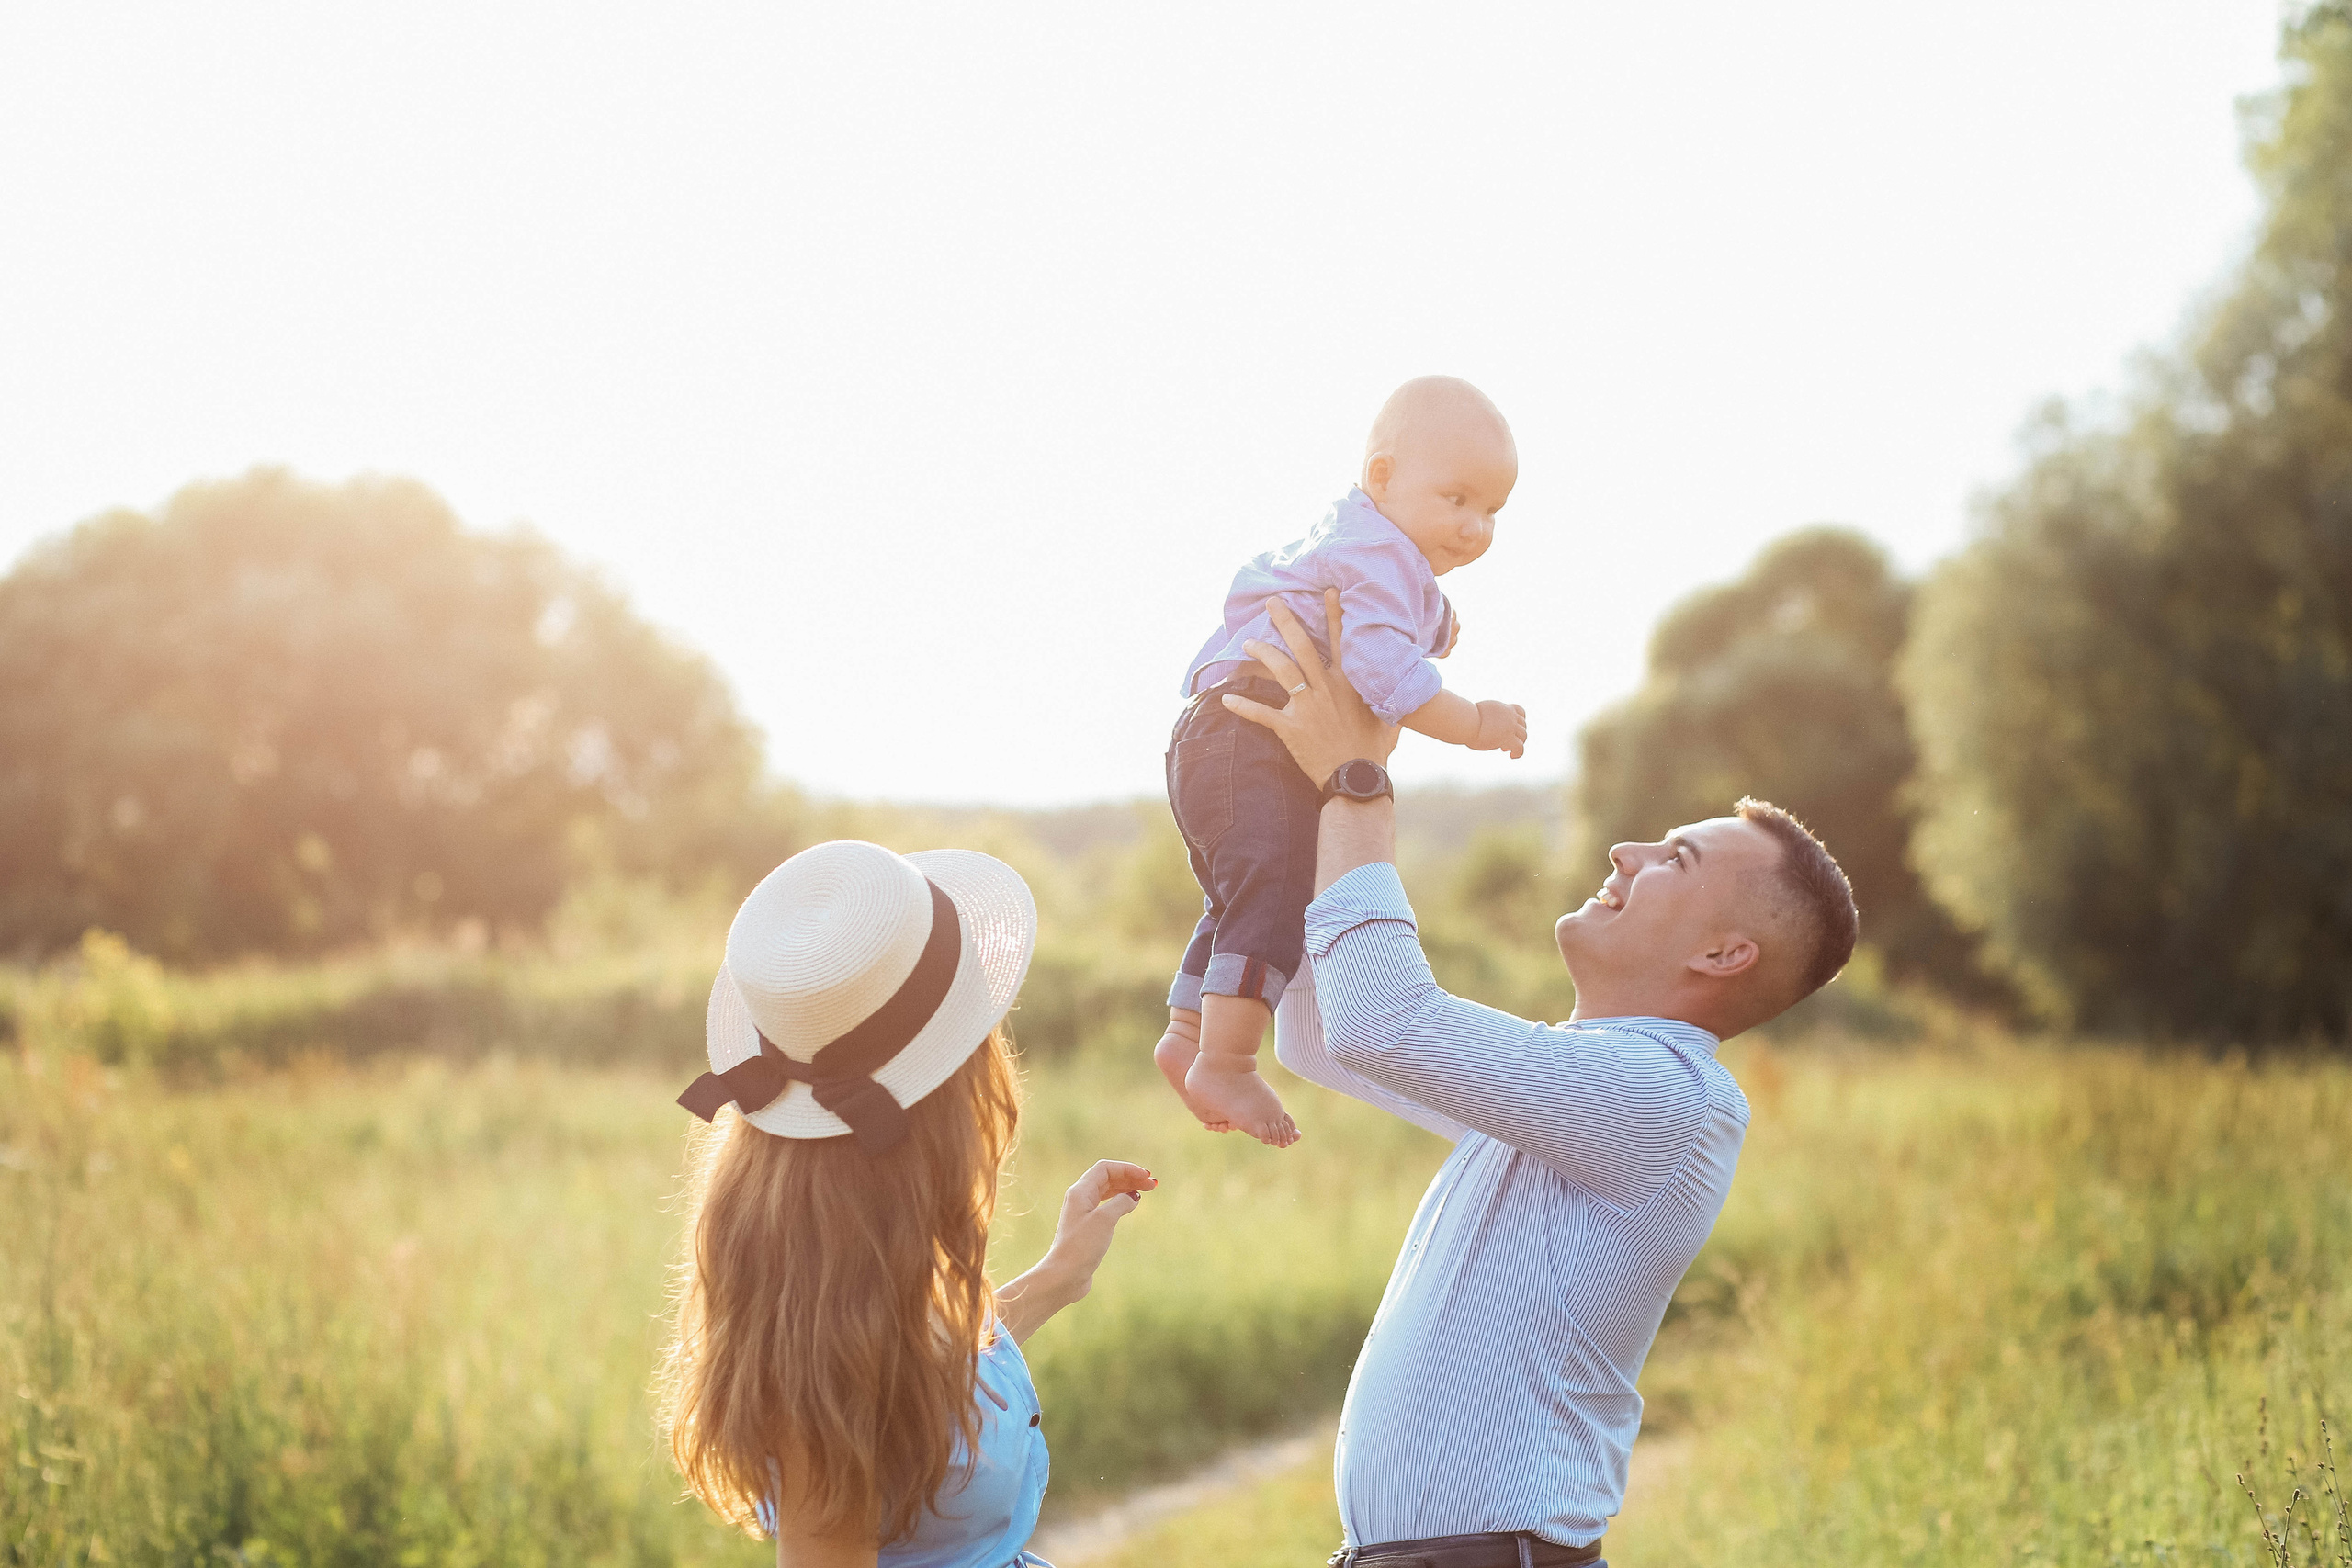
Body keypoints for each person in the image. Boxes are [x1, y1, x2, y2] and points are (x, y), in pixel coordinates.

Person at [1224, 592, 1859, 1568]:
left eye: (1673, 858)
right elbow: (1319, 1031)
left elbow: (1381, 1020)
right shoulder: (1570, 1088)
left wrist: (1357, 780)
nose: (1625, 851)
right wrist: (1282, 801)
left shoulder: (1665, 1101)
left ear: (1726, 954)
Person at [656, 839, 1156, 1568]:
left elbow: (908, 1372)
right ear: (949, 1096)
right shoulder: (818, 1345)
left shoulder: (843, 1271)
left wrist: (1056, 1278)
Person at [1155, 375, 1532, 1148]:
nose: (1476, 526)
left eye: (1493, 511)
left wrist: (1434, 617)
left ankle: (1189, 1030)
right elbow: (1381, 673)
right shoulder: (1383, 555)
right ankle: (1225, 1058)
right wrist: (1474, 722)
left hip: (1215, 734)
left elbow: (1380, 612)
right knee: (1277, 885)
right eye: (1457, 499)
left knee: (1243, 892)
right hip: (1252, 738)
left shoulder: (1359, 538)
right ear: (1384, 477)